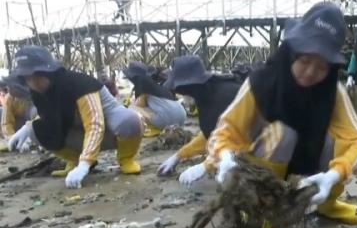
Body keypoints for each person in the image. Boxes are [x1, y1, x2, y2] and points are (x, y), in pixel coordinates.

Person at [178, 2, 357, 228]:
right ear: (291, 52)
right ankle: (262, 218)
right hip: (261, 170)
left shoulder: (333, 92)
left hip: (307, 169)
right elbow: (223, 132)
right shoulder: (260, 82)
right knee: (282, 133)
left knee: (336, 142)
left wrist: (334, 175)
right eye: (305, 60)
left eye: (322, 66)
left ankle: (328, 204)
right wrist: (223, 159)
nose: (311, 72)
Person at [8, 46, 143, 188]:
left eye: (38, 76)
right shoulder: (40, 93)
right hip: (77, 131)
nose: (34, 83)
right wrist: (27, 127)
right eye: (28, 79)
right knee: (35, 130)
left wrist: (85, 163)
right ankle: (74, 161)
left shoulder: (78, 84)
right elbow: (49, 117)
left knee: (130, 120)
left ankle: (125, 158)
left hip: (109, 129)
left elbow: (95, 124)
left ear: (48, 72)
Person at [157, 56, 241, 175]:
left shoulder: (220, 100)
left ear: (187, 86)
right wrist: (179, 156)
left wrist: (206, 166)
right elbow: (212, 135)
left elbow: (233, 141)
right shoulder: (211, 90)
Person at [123, 61, 186, 137]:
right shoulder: (155, 84)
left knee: (131, 108)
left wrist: (132, 102)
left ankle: (151, 127)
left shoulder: (142, 84)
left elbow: (139, 106)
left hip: (168, 120)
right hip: (182, 116)